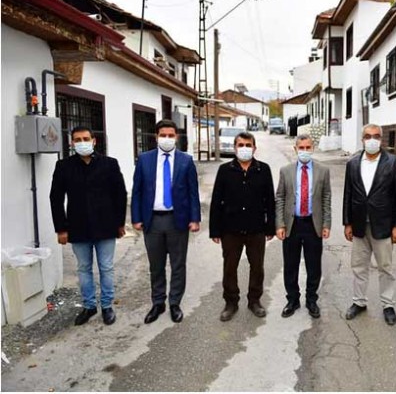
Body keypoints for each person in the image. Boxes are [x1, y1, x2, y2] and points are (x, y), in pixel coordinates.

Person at [50, 126, 127, 326]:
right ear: (71, 143)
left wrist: (120, 223)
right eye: (77, 139)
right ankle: (89, 306)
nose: (82, 142)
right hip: (78, 227)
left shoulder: (109, 164)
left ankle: (107, 305)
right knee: (84, 268)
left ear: (94, 141)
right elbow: (56, 199)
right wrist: (61, 228)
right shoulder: (64, 166)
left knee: (106, 268)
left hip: (106, 226)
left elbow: (120, 194)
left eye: (86, 138)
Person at [131, 119, 201, 324]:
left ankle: (174, 302)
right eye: (163, 135)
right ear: (156, 137)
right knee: (156, 265)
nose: (167, 139)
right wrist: (136, 218)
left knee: (178, 264)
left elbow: (192, 192)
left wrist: (195, 218)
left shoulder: (186, 160)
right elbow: (137, 191)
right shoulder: (144, 160)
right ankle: (158, 302)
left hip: (177, 220)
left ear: (176, 137)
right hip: (152, 221)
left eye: (171, 135)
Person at [343, 124, 396, 325]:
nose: (372, 140)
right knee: (359, 267)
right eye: (368, 136)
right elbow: (348, 195)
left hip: (384, 224)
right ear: (362, 139)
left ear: (382, 139)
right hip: (360, 224)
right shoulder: (352, 163)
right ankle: (359, 302)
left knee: (385, 267)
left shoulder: (394, 163)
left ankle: (388, 304)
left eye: (376, 136)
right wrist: (347, 223)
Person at [210, 131, 275, 321]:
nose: (244, 149)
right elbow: (216, 201)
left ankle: (254, 300)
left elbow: (270, 200)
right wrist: (215, 229)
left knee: (257, 267)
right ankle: (231, 302)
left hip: (256, 228)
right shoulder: (225, 170)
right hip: (230, 228)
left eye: (248, 145)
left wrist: (270, 227)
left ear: (254, 148)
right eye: (241, 145)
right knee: (230, 267)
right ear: (234, 147)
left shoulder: (263, 169)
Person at [275, 135, 331, 318]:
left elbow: (326, 198)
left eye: (308, 147)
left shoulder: (323, 170)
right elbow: (280, 197)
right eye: (301, 147)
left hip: (313, 224)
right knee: (290, 264)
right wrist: (280, 224)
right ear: (295, 148)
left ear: (313, 148)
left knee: (314, 265)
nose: (305, 151)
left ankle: (311, 299)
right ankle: (292, 299)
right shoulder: (286, 171)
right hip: (293, 224)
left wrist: (326, 223)